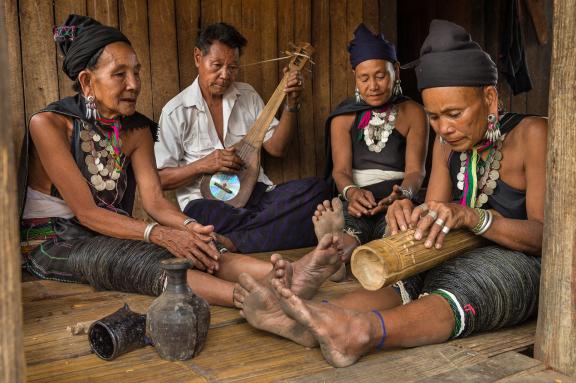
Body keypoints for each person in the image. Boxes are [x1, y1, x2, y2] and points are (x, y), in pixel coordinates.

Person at [235, 19, 545, 367]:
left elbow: (546, 238)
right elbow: (434, 212)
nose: (444, 128)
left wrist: (474, 217)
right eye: (434, 117)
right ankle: (304, 319)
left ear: (489, 97)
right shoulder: (446, 144)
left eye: (454, 114)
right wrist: (410, 213)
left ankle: (361, 332)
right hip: (462, 249)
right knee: (415, 268)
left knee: (471, 282)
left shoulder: (532, 135)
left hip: (518, 263)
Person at [18, 14, 340, 308]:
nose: (134, 84)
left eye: (136, 72)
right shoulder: (49, 124)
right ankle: (256, 301)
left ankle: (287, 275)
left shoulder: (138, 128)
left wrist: (190, 228)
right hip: (55, 241)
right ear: (87, 82)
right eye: (120, 74)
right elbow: (87, 213)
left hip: (110, 233)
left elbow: (155, 199)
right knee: (147, 258)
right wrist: (159, 233)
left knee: (200, 244)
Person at [155, 23, 329, 253]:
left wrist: (291, 104)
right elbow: (161, 179)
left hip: (257, 195)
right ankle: (273, 231)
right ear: (198, 57)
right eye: (217, 66)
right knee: (198, 215)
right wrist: (204, 165)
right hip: (209, 205)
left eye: (233, 67)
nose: (225, 75)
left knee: (319, 190)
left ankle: (233, 241)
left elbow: (276, 148)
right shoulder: (175, 112)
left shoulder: (247, 96)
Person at [320, 23, 428, 266]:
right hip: (357, 198)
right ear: (355, 78)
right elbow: (341, 171)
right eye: (364, 78)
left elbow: (416, 171)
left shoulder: (413, 113)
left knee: (396, 228)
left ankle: (378, 251)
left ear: (396, 72)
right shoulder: (343, 117)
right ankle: (337, 253)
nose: (373, 86)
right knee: (351, 225)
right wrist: (352, 192)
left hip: (396, 197)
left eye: (380, 76)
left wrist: (404, 195)